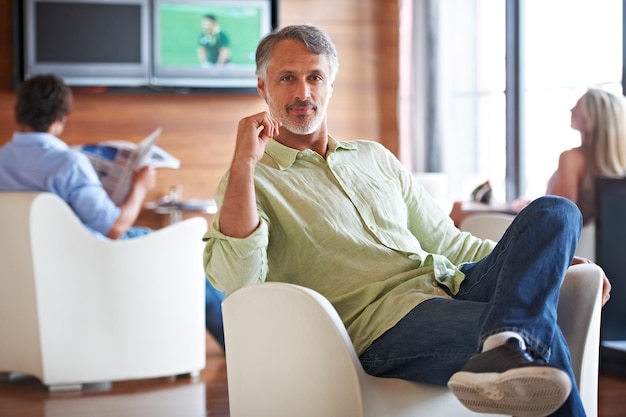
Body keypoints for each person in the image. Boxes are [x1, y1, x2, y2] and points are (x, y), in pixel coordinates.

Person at [202, 24, 611, 416]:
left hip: (452, 286)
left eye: (314, 77)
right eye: (287, 78)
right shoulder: (251, 180)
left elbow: (451, 243)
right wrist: (243, 163)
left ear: (331, 84)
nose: (303, 92)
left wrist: (543, 262)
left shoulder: (373, 156)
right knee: (538, 336)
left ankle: (507, 340)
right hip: (384, 325)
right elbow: (236, 281)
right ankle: (510, 339)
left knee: (557, 211)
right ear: (263, 87)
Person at [0, 74, 226, 349]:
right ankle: (239, 348)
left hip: (24, 269)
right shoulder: (67, 163)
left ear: (19, 112)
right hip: (84, 260)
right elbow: (115, 229)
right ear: (60, 119)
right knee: (188, 254)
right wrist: (140, 187)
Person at [451, 88, 626, 227]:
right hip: (543, 220)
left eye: (578, 108)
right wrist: (535, 203)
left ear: (591, 119)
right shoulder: (605, 162)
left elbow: (563, 214)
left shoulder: (571, 158)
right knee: (471, 205)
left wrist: (532, 210)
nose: (571, 109)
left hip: (541, 228)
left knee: (459, 208)